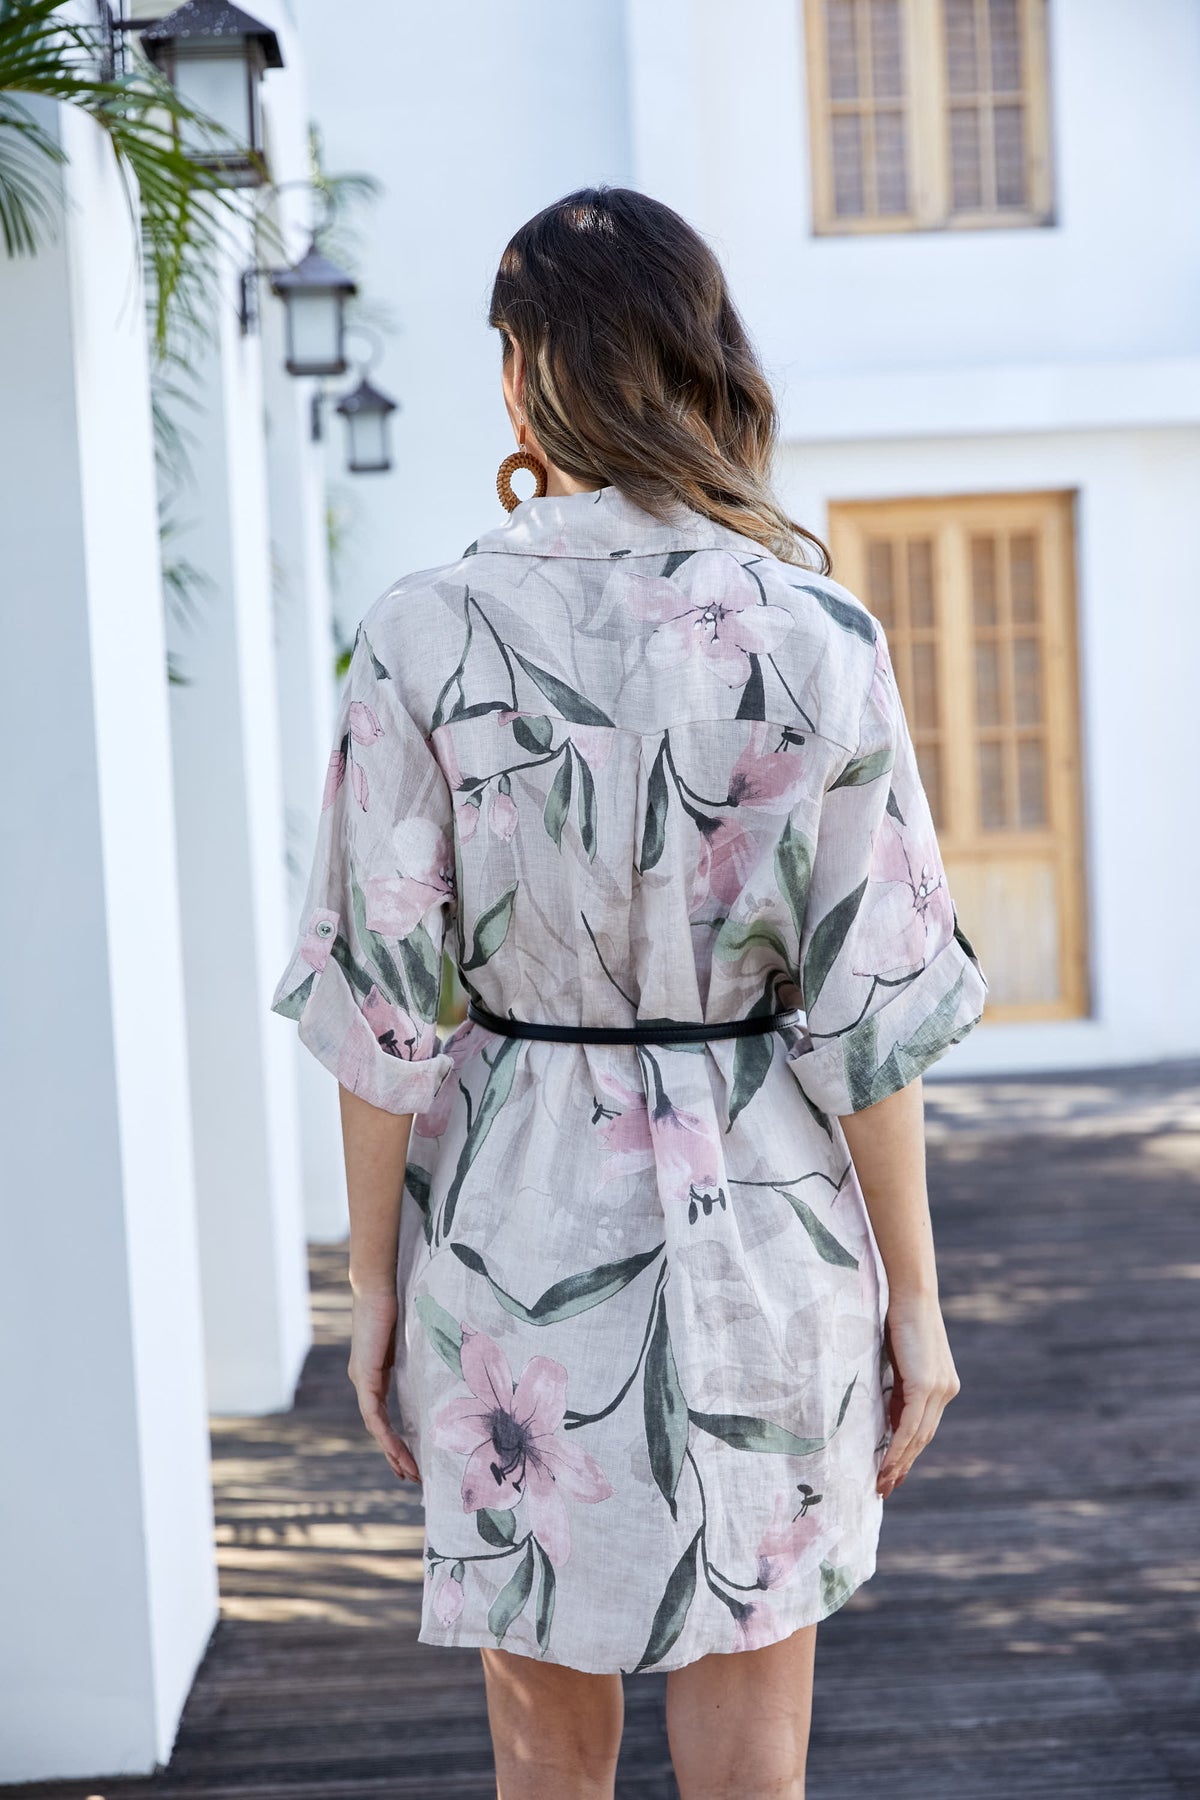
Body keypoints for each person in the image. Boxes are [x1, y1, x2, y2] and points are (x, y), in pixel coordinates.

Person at [269, 186, 988, 1800]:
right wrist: (917, 1300)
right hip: (769, 1227)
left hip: (509, 1231)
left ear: (524, 378)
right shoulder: (818, 635)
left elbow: (382, 1010)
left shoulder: (422, 634)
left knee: (547, 1759)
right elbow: (870, 1012)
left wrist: (373, 1289)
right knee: (752, 1761)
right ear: (700, 359)